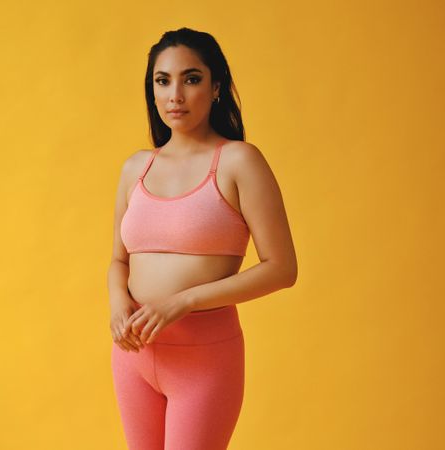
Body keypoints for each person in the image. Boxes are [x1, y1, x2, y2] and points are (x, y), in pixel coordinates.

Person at [107, 27, 298, 450]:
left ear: (216, 88)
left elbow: (282, 269)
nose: (175, 94)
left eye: (191, 79)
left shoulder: (238, 162)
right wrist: (119, 305)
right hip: (133, 358)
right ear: (152, 91)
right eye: (163, 81)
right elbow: (119, 261)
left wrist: (184, 301)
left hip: (204, 360)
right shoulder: (135, 168)